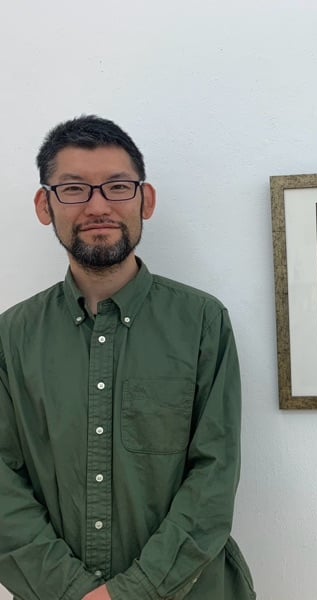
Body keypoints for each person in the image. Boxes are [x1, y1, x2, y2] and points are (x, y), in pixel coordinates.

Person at [0, 116, 256, 599]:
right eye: (73, 189)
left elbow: (214, 476)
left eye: (118, 186)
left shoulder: (202, 322)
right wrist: (72, 590)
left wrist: (132, 592)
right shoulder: (10, 337)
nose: (98, 206)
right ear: (44, 205)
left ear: (146, 200)